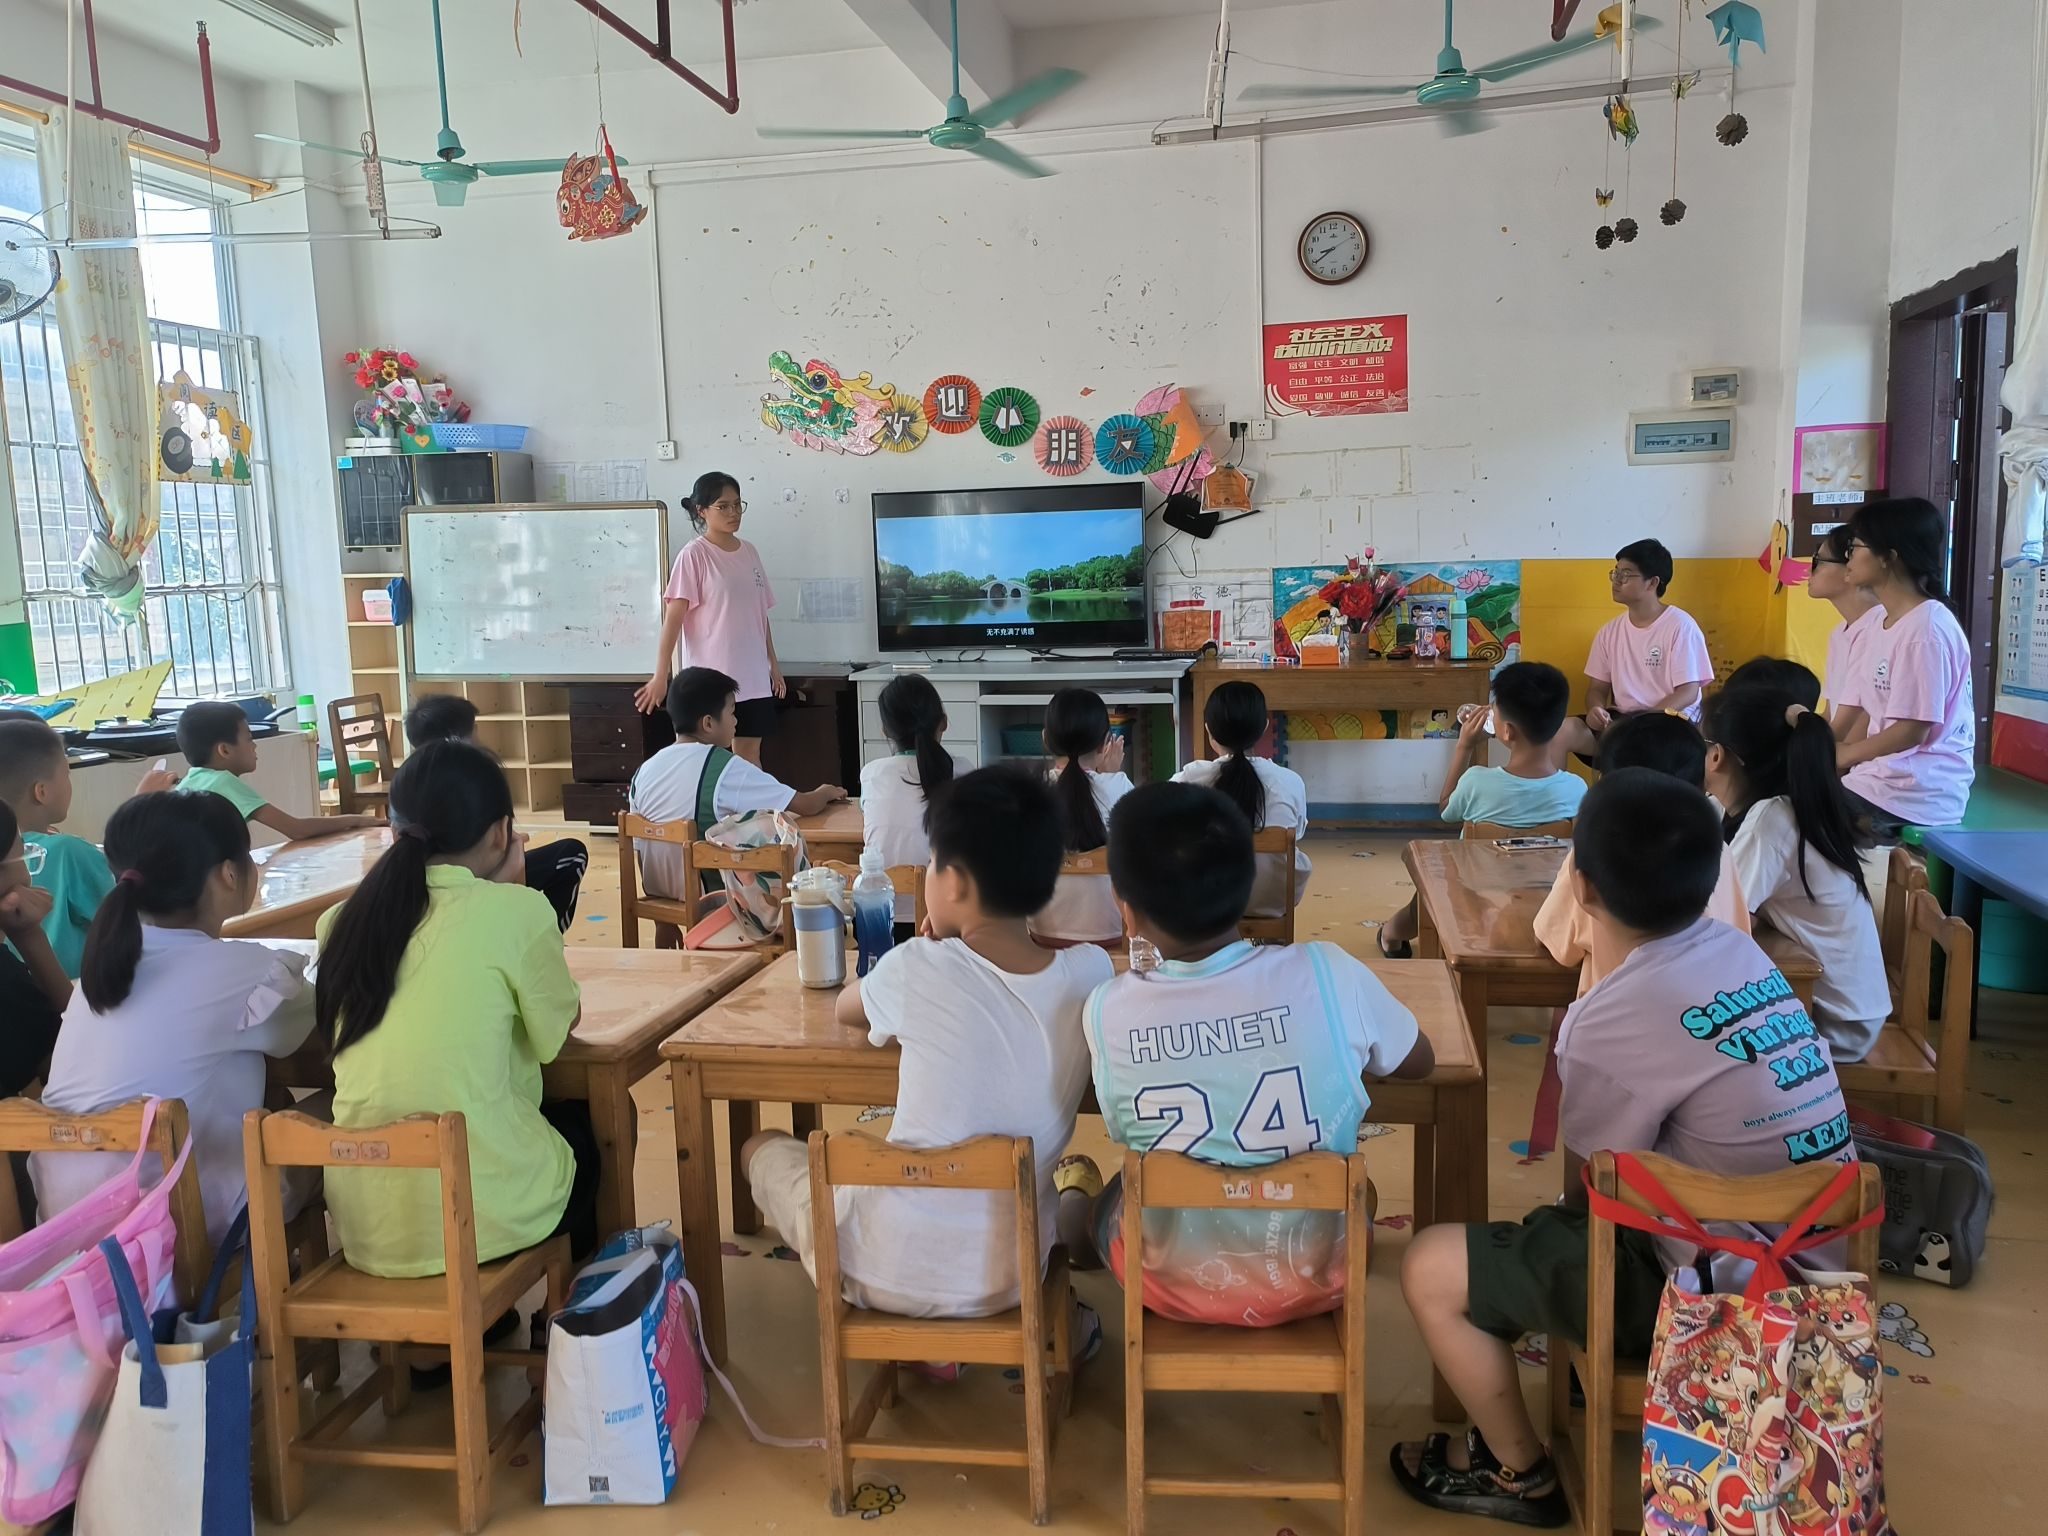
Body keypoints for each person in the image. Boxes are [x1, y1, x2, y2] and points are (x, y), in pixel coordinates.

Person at [1390, 768, 1852, 1526]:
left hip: (1715, 1296)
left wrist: (1531, 1260)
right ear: (1712, 879)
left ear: (1580, 886)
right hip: (1823, 1271)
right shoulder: (1744, 957)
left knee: (1433, 1267)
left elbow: (1596, 1196)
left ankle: (1519, 1474)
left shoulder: (1608, 1018)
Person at [1057, 782, 1433, 1327]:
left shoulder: (1107, 1009)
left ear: (1126, 911)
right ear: (1249, 887)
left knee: (1119, 1189)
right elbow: (1418, 1063)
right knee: (1357, 1189)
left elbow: (1123, 1127)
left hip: (1167, 1285)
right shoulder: (1330, 971)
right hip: (1319, 1275)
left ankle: (1073, 1210)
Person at [740, 768, 1111, 1318]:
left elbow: (846, 1008)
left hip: (877, 1267)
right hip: (1009, 1279)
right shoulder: (1091, 972)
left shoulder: (916, 966)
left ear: (954, 883)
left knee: (762, 1146)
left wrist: (926, 952)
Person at [315, 741, 600, 1276]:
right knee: (593, 1124)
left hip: (369, 1229)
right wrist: (512, 895)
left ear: (395, 831)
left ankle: (470, 1329)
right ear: (501, 832)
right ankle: (572, 1312)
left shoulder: (340, 921)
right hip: (480, 1214)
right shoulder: (516, 911)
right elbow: (557, 1033)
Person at [33, 792, 319, 1247]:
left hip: (70, 1226)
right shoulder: (241, 971)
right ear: (229, 874)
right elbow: (306, 1031)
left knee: (265, 1102)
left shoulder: (100, 974)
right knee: (338, 1116)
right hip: (179, 1222)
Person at [1705, 684, 1888, 1060]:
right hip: (1848, 1007)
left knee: (1677, 1023)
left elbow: (1723, 921)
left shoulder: (1771, 819)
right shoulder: (1782, 807)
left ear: (1717, 755)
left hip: (1834, 1020)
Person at [1379, 661, 1586, 958]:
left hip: (1474, 889)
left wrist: (1464, 746)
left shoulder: (1477, 781)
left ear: (1507, 732)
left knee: (1430, 888)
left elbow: (1446, 809)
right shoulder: (1577, 789)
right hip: (1548, 894)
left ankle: (1391, 934)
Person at [1535, 711, 1749, 997]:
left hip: (1614, 1014)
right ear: (1701, 785)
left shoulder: (1596, 855)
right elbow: (1739, 933)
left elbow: (1552, 939)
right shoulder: (1719, 850)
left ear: (1606, 786)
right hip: (1714, 1011)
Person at [628, 667, 847, 901]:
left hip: (658, 895)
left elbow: (639, 848)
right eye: (732, 712)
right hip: (711, 901)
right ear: (708, 723)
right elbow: (804, 805)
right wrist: (826, 792)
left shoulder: (643, 771)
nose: (736, 721)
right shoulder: (724, 767)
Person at [1835, 497, 1976, 835]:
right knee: (1778, 800)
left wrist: (1845, 756)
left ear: (1889, 557)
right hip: (1879, 779)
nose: (1848, 557)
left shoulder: (1925, 630)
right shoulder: (1877, 623)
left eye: (1855, 547)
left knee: (1788, 817)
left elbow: (1912, 731)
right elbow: (1857, 709)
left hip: (1916, 791)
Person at [634, 471, 785, 766]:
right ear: (702, 511)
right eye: (723, 506)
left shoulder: (750, 552)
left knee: (749, 758)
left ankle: (749, 801)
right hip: (711, 683)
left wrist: (773, 664)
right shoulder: (694, 555)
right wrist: (661, 676)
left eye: (737, 504)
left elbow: (759, 615)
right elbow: (673, 622)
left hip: (753, 679)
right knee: (709, 760)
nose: (733, 512)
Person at [403, 693, 589, 931]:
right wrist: (510, 866)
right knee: (571, 854)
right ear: (458, 739)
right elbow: (498, 853)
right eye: (474, 729)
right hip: (476, 886)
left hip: (439, 890)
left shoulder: (405, 784)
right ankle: (545, 937)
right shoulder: (476, 779)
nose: (478, 736)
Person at [1171, 680, 1311, 919]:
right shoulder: (1290, 781)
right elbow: (1296, 833)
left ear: (1208, 730)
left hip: (1206, 901)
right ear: (1264, 727)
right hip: (1273, 898)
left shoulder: (1187, 779)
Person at [0, 718, 112, 978]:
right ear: (41, 792)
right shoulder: (69, 851)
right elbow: (132, 926)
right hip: (72, 992)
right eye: (67, 774)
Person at [177, 702, 382, 842]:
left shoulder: (186, 784)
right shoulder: (223, 783)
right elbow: (296, 829)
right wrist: (357, 820)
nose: (254, 746)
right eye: (249, 739)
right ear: (225, 750)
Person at [1578, 537, 1715, 735]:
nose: (1616, 580)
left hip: (1671, 721)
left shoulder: (1681, 626)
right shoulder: (1608, 632)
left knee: (1639, 744)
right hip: (1624, 720)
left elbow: (1688, 692)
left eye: (1626, 574)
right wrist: (1595, 709)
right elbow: (1597, 688)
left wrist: (1644, 722)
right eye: (1615, 573)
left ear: (1652, 582)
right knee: (1566, 731)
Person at [1032, 687, 1133, 948]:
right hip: (1112, 935)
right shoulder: (1120, 787)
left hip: (1043, 936)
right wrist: (1110, 776)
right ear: (1106, 743)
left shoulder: (1029, 792)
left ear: (1045, 739)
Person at [860, 673, 959, 932]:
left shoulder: (871, 773)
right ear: (943, 723)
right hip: (942, 924)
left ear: (885, 731)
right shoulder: (963, 771)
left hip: (879, 921)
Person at [0, 799, 65, 1098]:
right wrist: (30, 936)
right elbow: (81, 1054)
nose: (27, 873)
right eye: (23, 853)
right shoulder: (8, 984)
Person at [1806, 523, 1884, 741]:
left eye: (1818, 562)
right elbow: (1831, 713)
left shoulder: (1879, 628)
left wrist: (1823, 756)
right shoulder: (1839, 633)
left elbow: (1860, 721)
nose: (1809, 571)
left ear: (1851, 567)